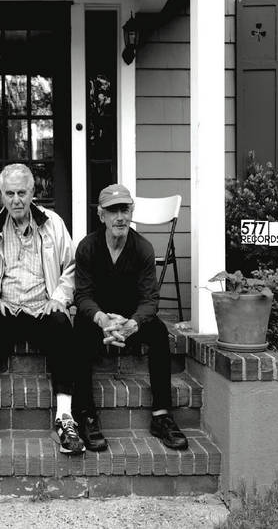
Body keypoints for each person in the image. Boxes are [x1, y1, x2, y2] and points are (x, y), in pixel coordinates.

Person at [0, 163, 84, 455]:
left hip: (43, 307)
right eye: (10, 193)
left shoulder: (53, 223)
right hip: (8, 309)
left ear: (32, 193)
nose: (16, 199)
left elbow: (71, 268)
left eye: (21, 192)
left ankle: (65, 418)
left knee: (64, 328)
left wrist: (59, 298)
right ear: (1, 195)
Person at [72, 183, 188, 452]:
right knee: (78, 330)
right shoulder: (88, 247)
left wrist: (132, 324)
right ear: (101, 215)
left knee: (159, 332)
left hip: (131, 322)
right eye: (113, 211)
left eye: (124, 210)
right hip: (100, 321)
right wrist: (102, 320)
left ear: (131, 213)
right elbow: (82, 296)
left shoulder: (143, 248)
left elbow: (150, 300)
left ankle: (161, 415)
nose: (120, 217)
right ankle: (86, 414)